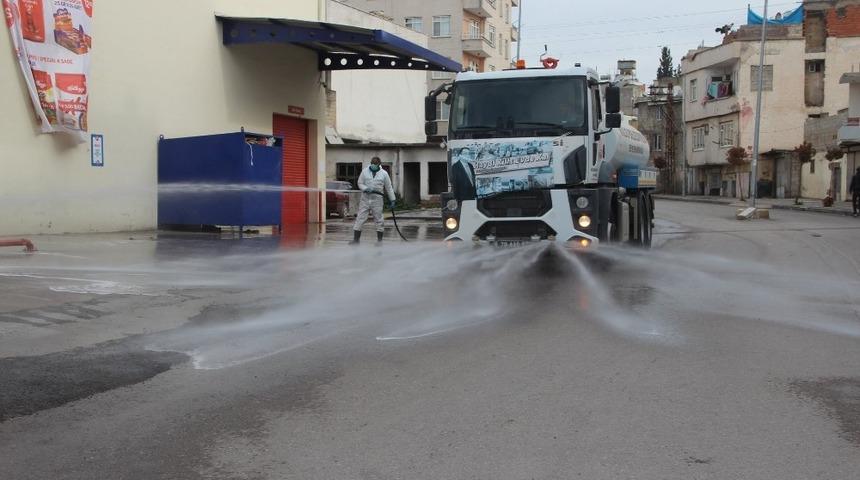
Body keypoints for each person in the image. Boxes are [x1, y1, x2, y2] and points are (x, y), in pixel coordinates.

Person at [351, 157, 396, 243]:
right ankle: (356, 240)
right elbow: (360, 183)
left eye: (375, 165)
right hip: (365, 199)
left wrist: (392, 200)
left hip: (377, 200)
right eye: (372, 165)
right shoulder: (365, 171)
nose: (373, 167)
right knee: (360, 218)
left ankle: (379, 241)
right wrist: (365, 188)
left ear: (379, 165)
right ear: (370, 164)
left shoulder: (384, 174)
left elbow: (389, 187)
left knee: (379, 219)